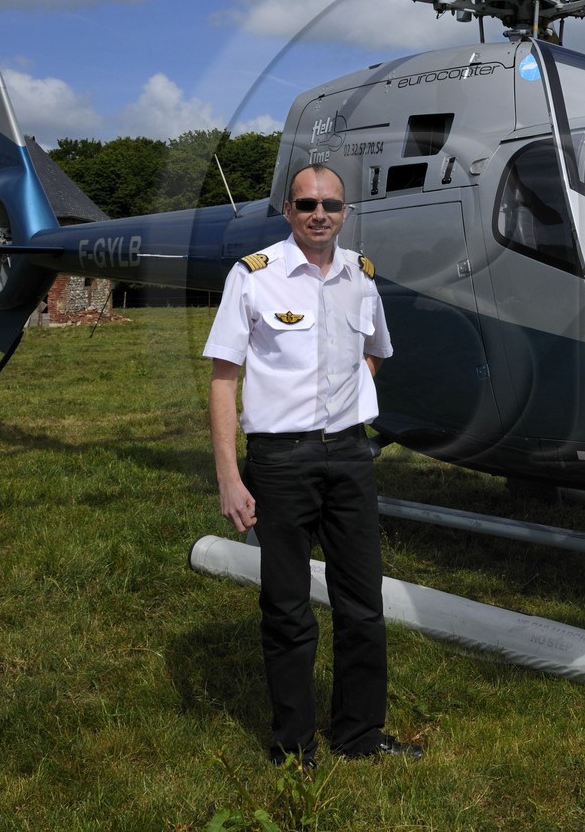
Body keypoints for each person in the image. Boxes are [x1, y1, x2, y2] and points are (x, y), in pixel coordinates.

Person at [204, 163, 421, 768]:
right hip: (281, 460)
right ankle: (293, 745)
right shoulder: (253, 278)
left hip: (350, 455)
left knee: (362, 603)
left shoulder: (361, 277)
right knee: (286, 605)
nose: (318, 214)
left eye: (329, 204)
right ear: (288, 211)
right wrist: (229, 475)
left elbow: (374, 353)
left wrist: (347, 403)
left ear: (345, 212)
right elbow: (224, 380)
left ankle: (359, 735)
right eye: (305, 204)